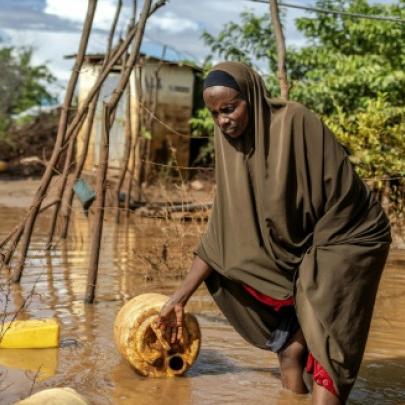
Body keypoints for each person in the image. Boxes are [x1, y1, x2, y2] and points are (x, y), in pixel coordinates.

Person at [158, 62, 391, 404]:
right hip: (306, 246)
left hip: (349, 236)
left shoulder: (295, 123)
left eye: (230, 108)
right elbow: (219, 239)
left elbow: (336, 197)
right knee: (291, 350)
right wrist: (179, 298)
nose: (223, 120)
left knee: (328, 352)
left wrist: (310, 278)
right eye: (214, 114)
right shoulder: (232, 149)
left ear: (251, 98)